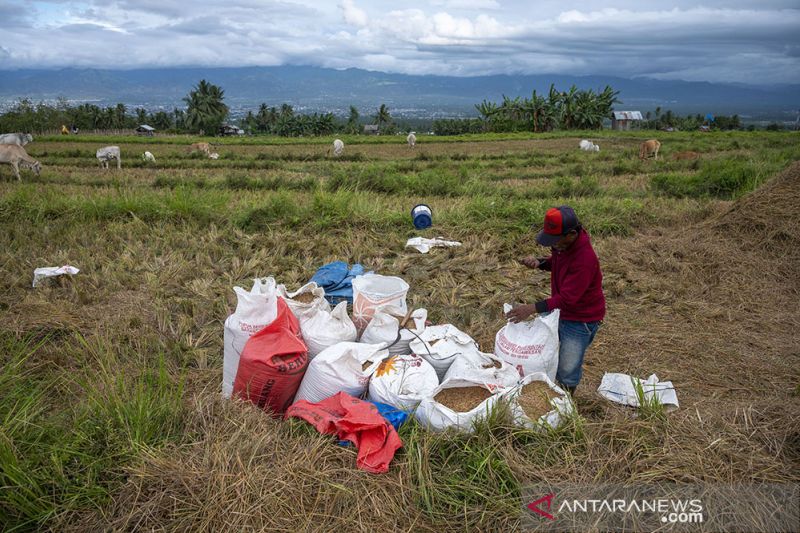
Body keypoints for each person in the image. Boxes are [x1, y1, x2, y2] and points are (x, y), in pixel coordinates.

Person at [506, 205, 605, 395]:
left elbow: (568, 299)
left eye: (555, 240)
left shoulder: (584, 259)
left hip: (580, 320)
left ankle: (565, 399)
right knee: (547, 347)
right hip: (562, 311)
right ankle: (548, 385)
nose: (553, 245)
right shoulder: (564, 247)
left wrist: (531, 308)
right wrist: (540, 263)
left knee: (568, 367)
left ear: (571, 234)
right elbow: (558, 261)